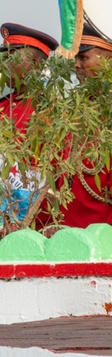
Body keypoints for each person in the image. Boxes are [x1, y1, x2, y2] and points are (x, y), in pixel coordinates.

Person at [63, 22, 112, 226]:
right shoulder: (70, 113)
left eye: (84, 57)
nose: (76, 65)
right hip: (67, 233)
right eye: (75, 58)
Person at [0, 23, 57, 133]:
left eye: (11, 59)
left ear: (33, 64)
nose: (3, 65)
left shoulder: (46, 112)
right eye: (4, 59)